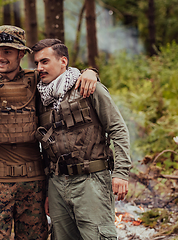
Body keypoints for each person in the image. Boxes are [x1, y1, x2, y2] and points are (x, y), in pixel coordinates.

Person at [0, 25, 100, 239]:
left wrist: (90, 72)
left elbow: (64, 76)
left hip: (34, 184)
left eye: (7, 51)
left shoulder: (36, 80)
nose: (0, 57)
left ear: (21, 53)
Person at [32, 39, 131, 240]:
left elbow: (117, 128)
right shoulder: (41, 98)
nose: (39, 68)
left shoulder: (88, 87)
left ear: (63, 61)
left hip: (91, 181)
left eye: (44, 61)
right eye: (36, 63)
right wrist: (49, 191)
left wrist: (121, 172)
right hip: (57, 183)